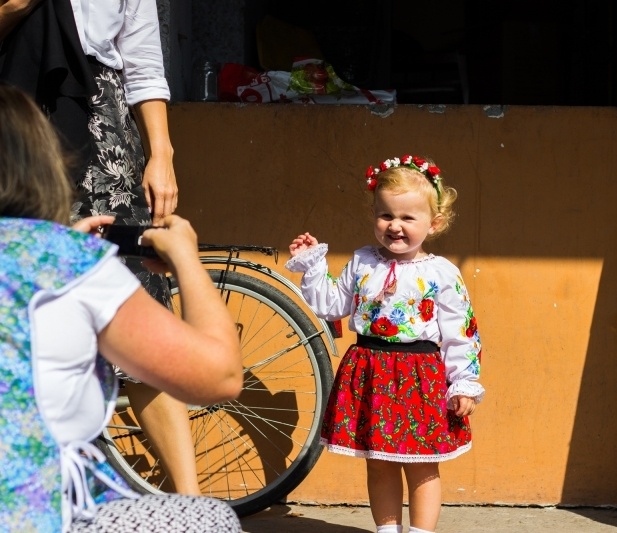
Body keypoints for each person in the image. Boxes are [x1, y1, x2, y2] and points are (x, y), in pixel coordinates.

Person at [0, 83, 242, 532]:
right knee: (208, 519)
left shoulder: (61, 253)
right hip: (38, 516)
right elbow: (220, 376)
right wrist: (185, 257)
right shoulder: (63, 260)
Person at [0, 0, 200, 495]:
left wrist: (161, 155)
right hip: (14, 125)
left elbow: (144, 64)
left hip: (100, 121)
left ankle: (193, 504)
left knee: (137, 303)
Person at [286, 155, 485, 533]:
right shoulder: (362, 262)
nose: (395, 226)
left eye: (408, 218)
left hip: (420, 378)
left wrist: (463, 384)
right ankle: (387, 530)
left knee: (422, 464)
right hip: (370, 372)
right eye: (385, 215)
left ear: (434, 222)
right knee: (378, 461)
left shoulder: (442, 273)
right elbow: (331, 305)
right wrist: (312, 267)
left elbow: (462, 332)